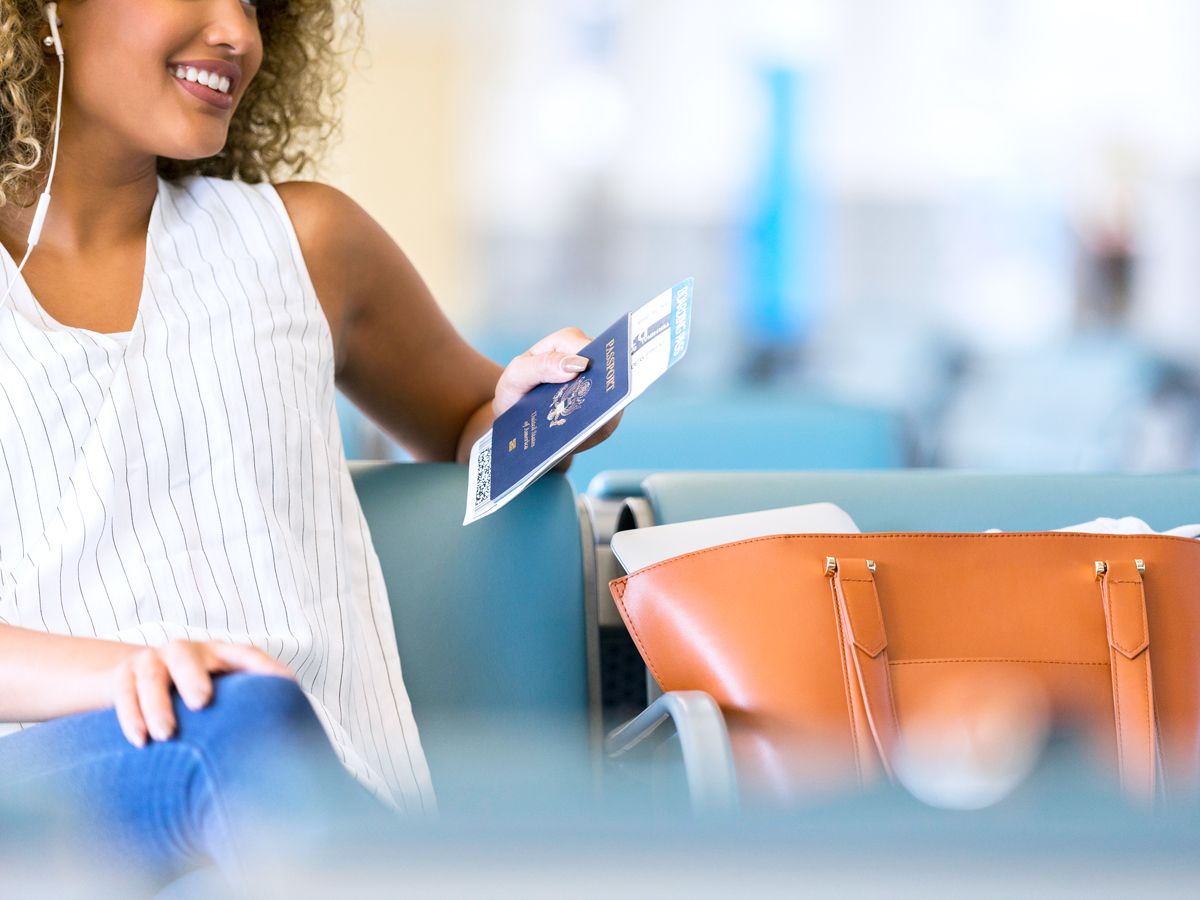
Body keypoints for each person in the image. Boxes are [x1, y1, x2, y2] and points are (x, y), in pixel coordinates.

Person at [0, 0, 617, 889]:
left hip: (317, 784)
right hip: (56, 803)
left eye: (253, 4)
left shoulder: (309, 245)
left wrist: (533, 410)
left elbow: (467, 426)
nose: (238, 35)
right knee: (235, 726)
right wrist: (135, 675)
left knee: (255, 738)